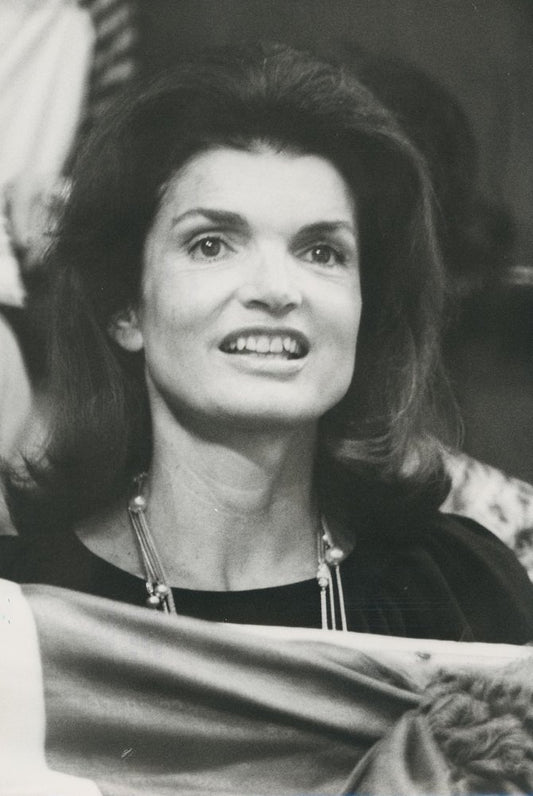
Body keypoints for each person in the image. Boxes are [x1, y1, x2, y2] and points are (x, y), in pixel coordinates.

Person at [1, 41, 532, 643]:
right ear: (127, 309)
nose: (277, 290)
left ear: (364, 308)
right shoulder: (20, 604)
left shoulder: (465, 591)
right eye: (211, 244)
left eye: (321, 252)